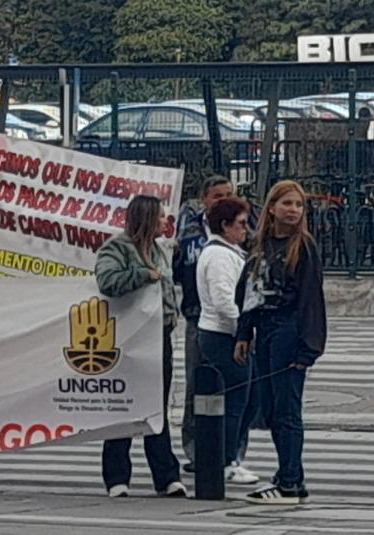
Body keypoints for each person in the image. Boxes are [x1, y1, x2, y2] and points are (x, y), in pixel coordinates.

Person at [235, 180, 327, 505]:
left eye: (298, 205)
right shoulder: (260, 245)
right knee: (271, 409)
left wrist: (308, 348)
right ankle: (289, 474)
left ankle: (289, 483)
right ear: (272, 207)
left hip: (289, 328)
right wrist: (244, 332)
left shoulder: (304, 247)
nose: (293, 210)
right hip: (264, 328)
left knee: (287, 409)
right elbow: (250, 291)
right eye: (287, 203)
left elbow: (311, 300)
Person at [95, 195, 187, 499]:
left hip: (159, 336)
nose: (165, 221)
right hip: (130, 338)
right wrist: (143, 275)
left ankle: (166, 476)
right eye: (160, 216)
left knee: (156, 406)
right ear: (147, 218)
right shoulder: (117, 248)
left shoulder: (159, 249)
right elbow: (107, 280)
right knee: (123, 405)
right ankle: (117, 476)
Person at [195, 197, 259, 486]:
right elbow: (223, 301)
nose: (246, 229)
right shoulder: (219, 256)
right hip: (223, 335)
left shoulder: (227, 252)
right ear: (225, 225)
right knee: (236, 401)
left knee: (247, 400)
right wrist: (243, 332)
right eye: (241, 224)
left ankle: (231, 457)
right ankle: (226, 461)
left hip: (225, 333)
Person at [173, 175, 234, 472]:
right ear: (204, 199)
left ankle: (230, 451)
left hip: (231, 318)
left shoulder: (239, 227)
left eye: (228, 194)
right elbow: (176, 270)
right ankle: (196, 451)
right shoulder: (188, 229)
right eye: (217, 195)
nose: (223, 200)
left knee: (232, 385)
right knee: (197, 384)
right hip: (197, 315)